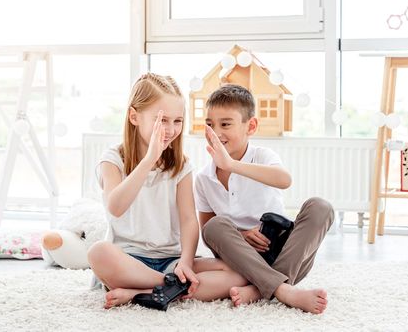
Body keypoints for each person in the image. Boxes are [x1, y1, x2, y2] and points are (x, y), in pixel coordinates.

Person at [87, 73, 247, 309]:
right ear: (134, 116)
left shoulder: (181, 166)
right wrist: (149, 161)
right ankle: (169, 287)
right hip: (129, 260)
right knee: (98, 253)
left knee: (238, 273)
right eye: (162, 120)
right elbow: (116, 207)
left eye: (178, 121)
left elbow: (188, 220)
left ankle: (140, 292)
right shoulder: (113, 160)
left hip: (171, 261)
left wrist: (185, 262)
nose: (171, 129)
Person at [195, 84, 334, 314]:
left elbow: (284, 179)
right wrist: (241, 235)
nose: (216, 133)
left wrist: (232, 166)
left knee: (321, 207)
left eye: (225, 124)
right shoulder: (203, 178)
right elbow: (208, 232)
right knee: (215, 226)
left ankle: (260, 289)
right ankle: (283, 290)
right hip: (240, 261)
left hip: (285, 256)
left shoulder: (263, 156)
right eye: (210, 125)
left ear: (251, 126)